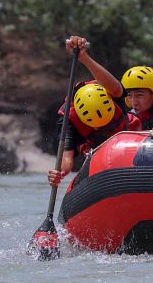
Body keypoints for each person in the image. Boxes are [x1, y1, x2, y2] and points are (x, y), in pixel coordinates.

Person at [47, 36, 141, 187]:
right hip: (97, 154)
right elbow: (67, 160)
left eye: (105, 123)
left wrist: (83, 56)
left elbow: (117, 88)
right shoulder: (68, 121)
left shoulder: (110, 90)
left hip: (127, 139)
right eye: (97, 125)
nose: (100, 128)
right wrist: (59, 173)